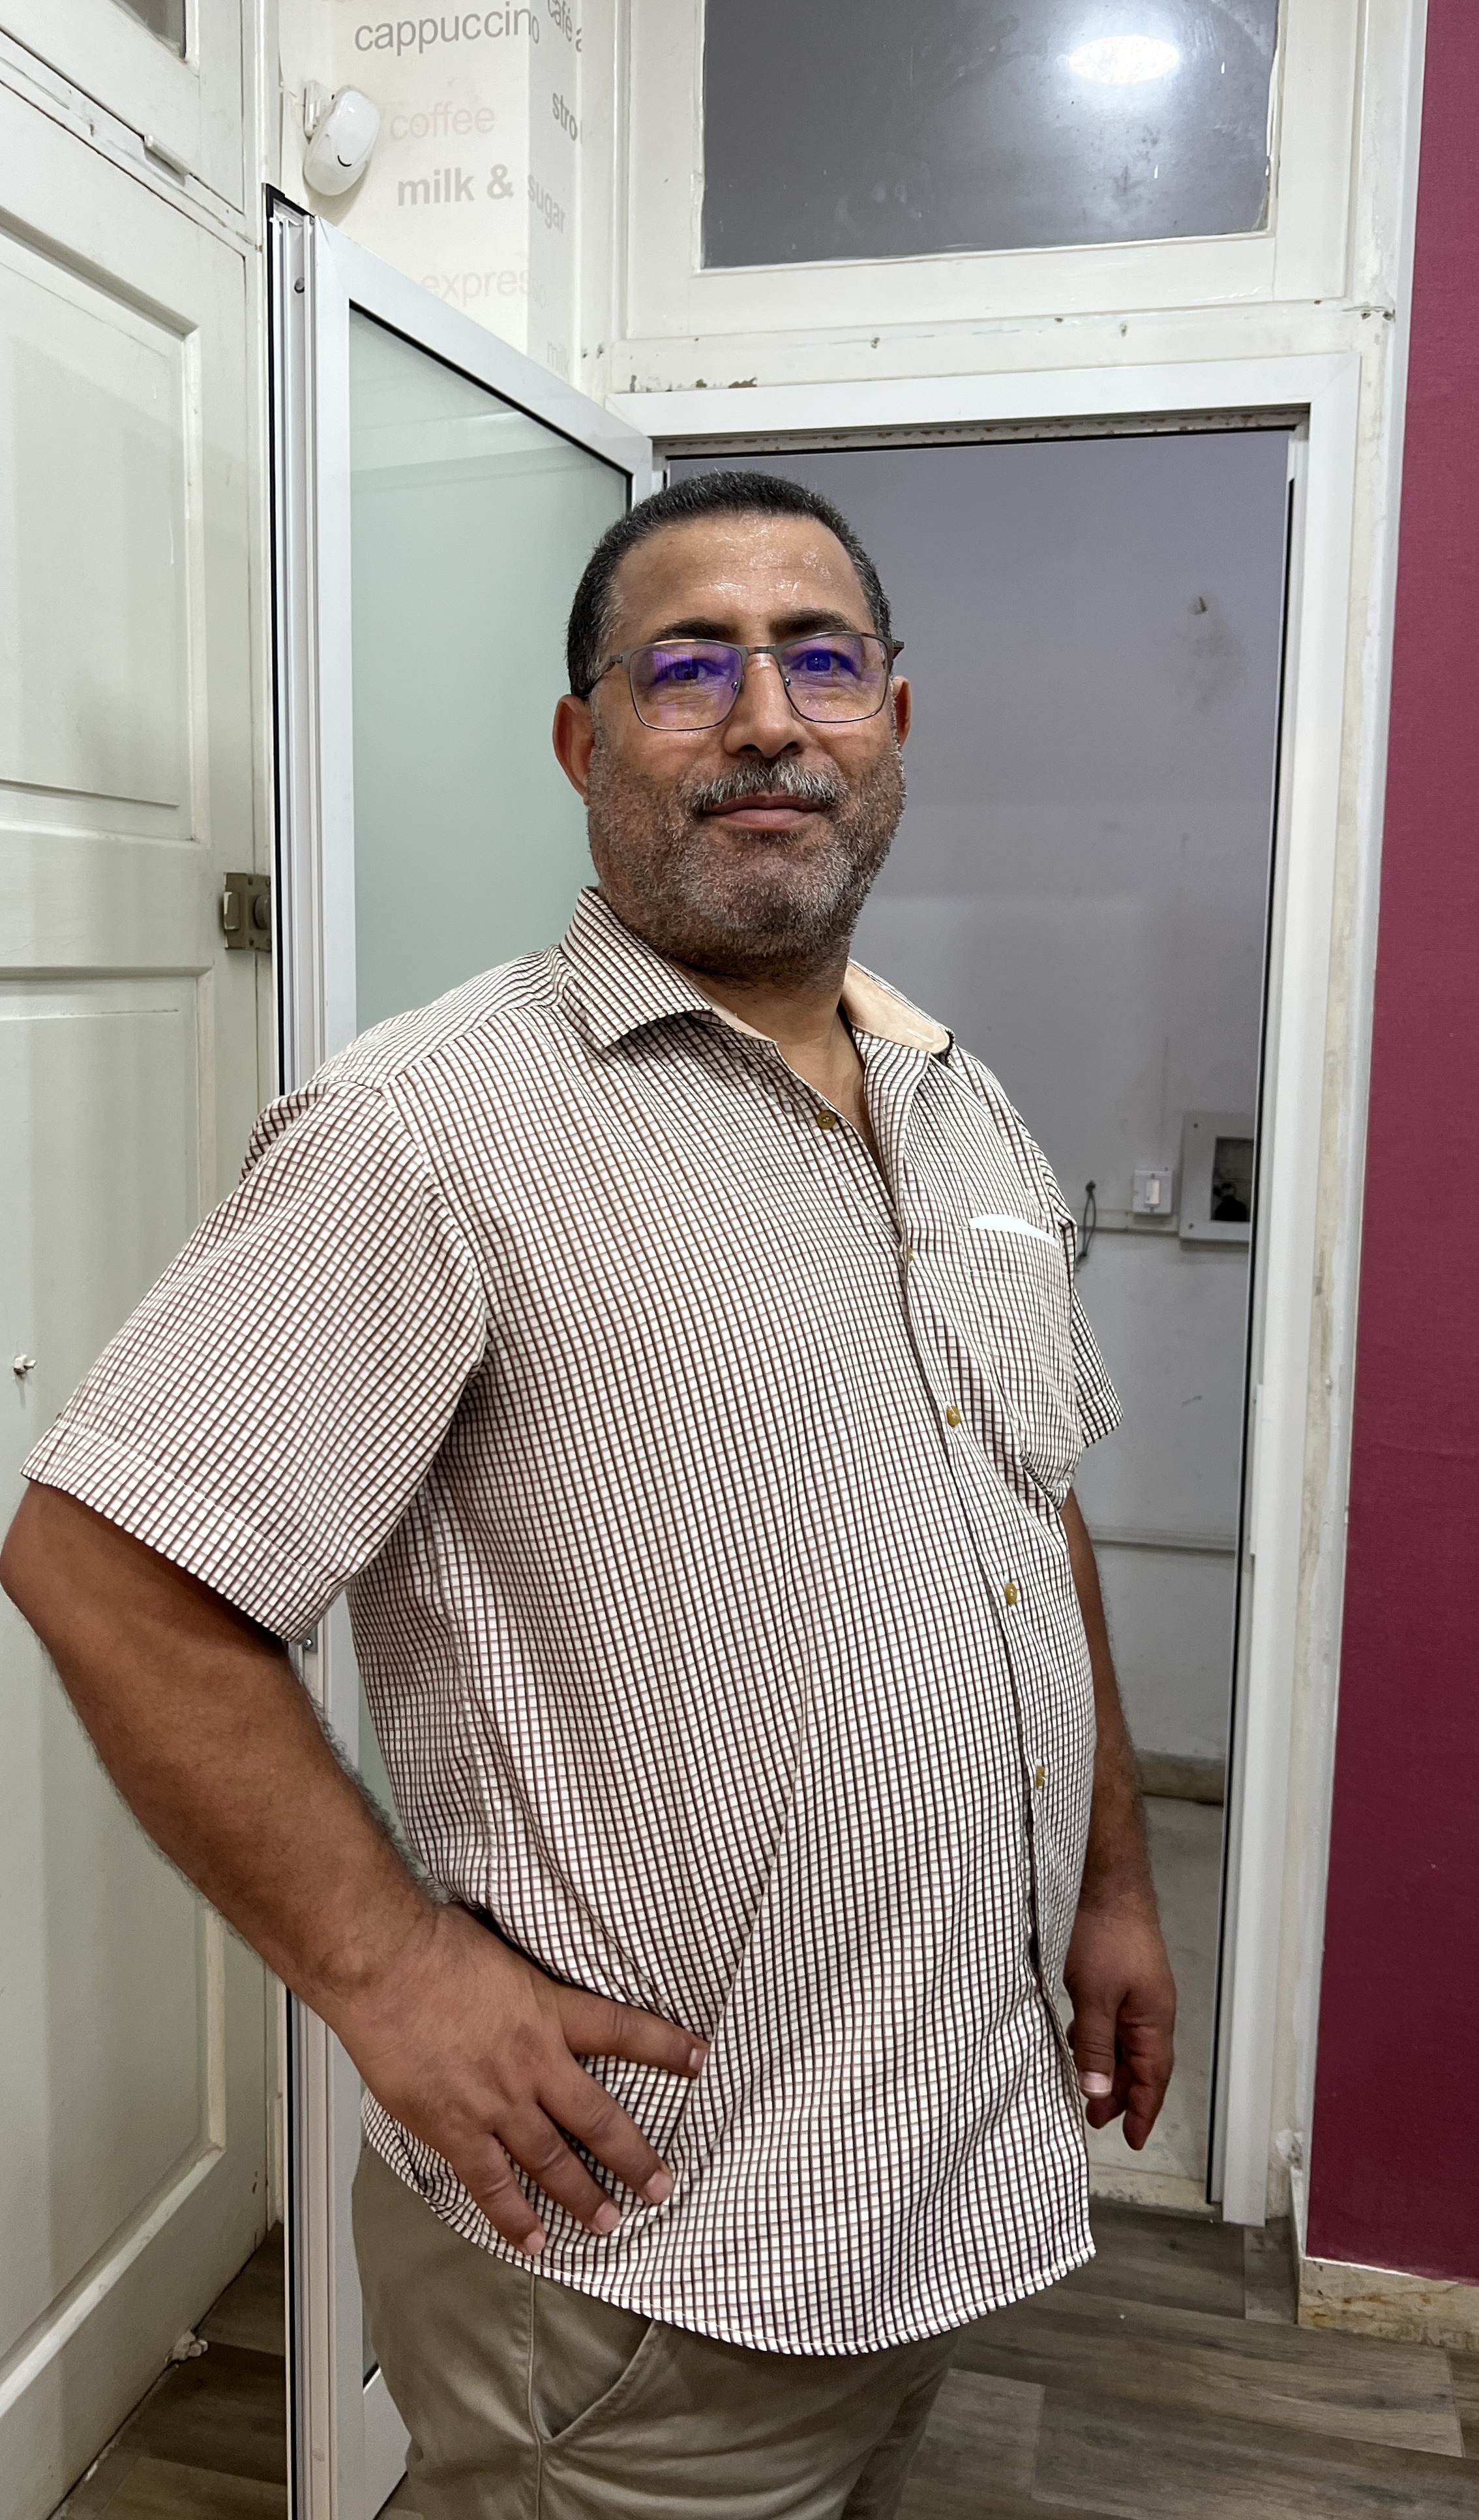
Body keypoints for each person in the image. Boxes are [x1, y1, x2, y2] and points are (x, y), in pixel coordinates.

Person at [1, 470, 1176, 2519]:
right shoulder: (429, 1128)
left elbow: (1024, 1503)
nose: (765, 718)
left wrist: (1109, 1885)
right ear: (582, 740)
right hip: (644, 2237)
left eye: (818, 661)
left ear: (893, 719)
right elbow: (104, 1567)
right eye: (686, 668)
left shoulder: (955, 1103)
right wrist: (386, 1972)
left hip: (928, 2166)